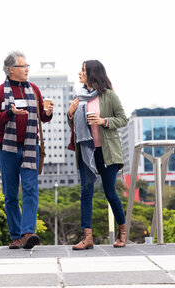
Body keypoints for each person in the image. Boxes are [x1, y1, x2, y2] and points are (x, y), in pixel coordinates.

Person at [0, 51, 53, 249]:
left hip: (31, 146)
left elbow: (42, 116)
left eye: (27, 66)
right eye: (23, 66)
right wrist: (9, 113)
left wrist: (47, 113)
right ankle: (16, 236)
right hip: (7, 149)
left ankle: (27, 233)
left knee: (31, 190)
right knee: (11, 194)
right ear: (11, 70)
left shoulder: (34, 90)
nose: (27, 69)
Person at [67, 60, 128, 249]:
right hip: (86, 151)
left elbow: (122, 119)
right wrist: (70, 114)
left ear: (92, 73)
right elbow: (75, 128)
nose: (79, 73)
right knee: (86, 192)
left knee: (110, 192)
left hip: (107, 151)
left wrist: (103, 120)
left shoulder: (109, 96)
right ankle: (87, 238)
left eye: (83, 70)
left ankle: (122, 232)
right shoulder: (79, 97)